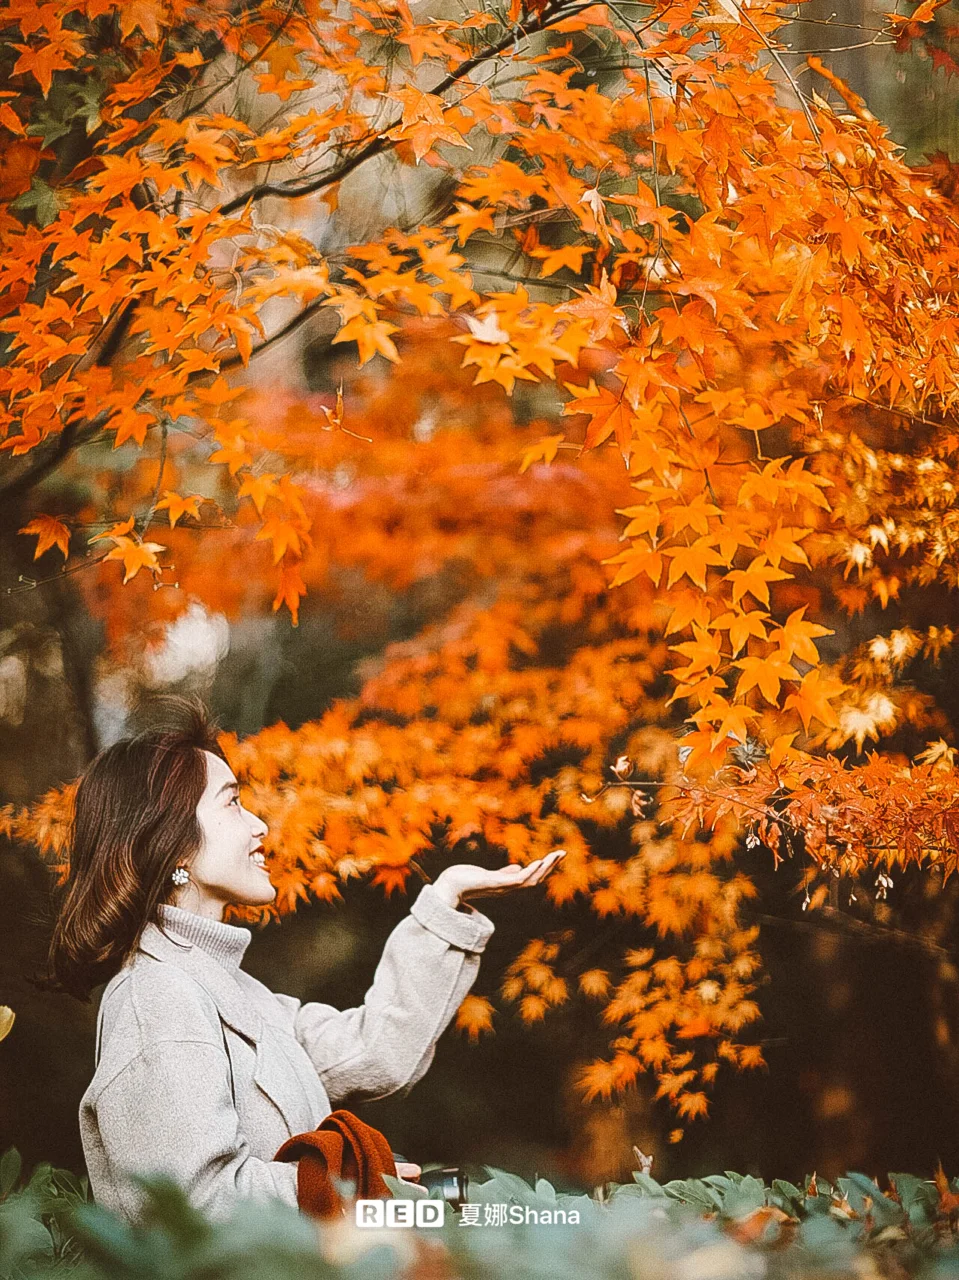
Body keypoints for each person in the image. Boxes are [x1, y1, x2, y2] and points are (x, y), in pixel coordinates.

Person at [45, 700, 564, 1224]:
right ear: (174, 842)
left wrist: (444, 900)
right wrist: (354, 1183)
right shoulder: (155, 997)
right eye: (232, 804)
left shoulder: (235, 991)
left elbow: (372, 1051)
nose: (260, 826)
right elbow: (190, 1209)